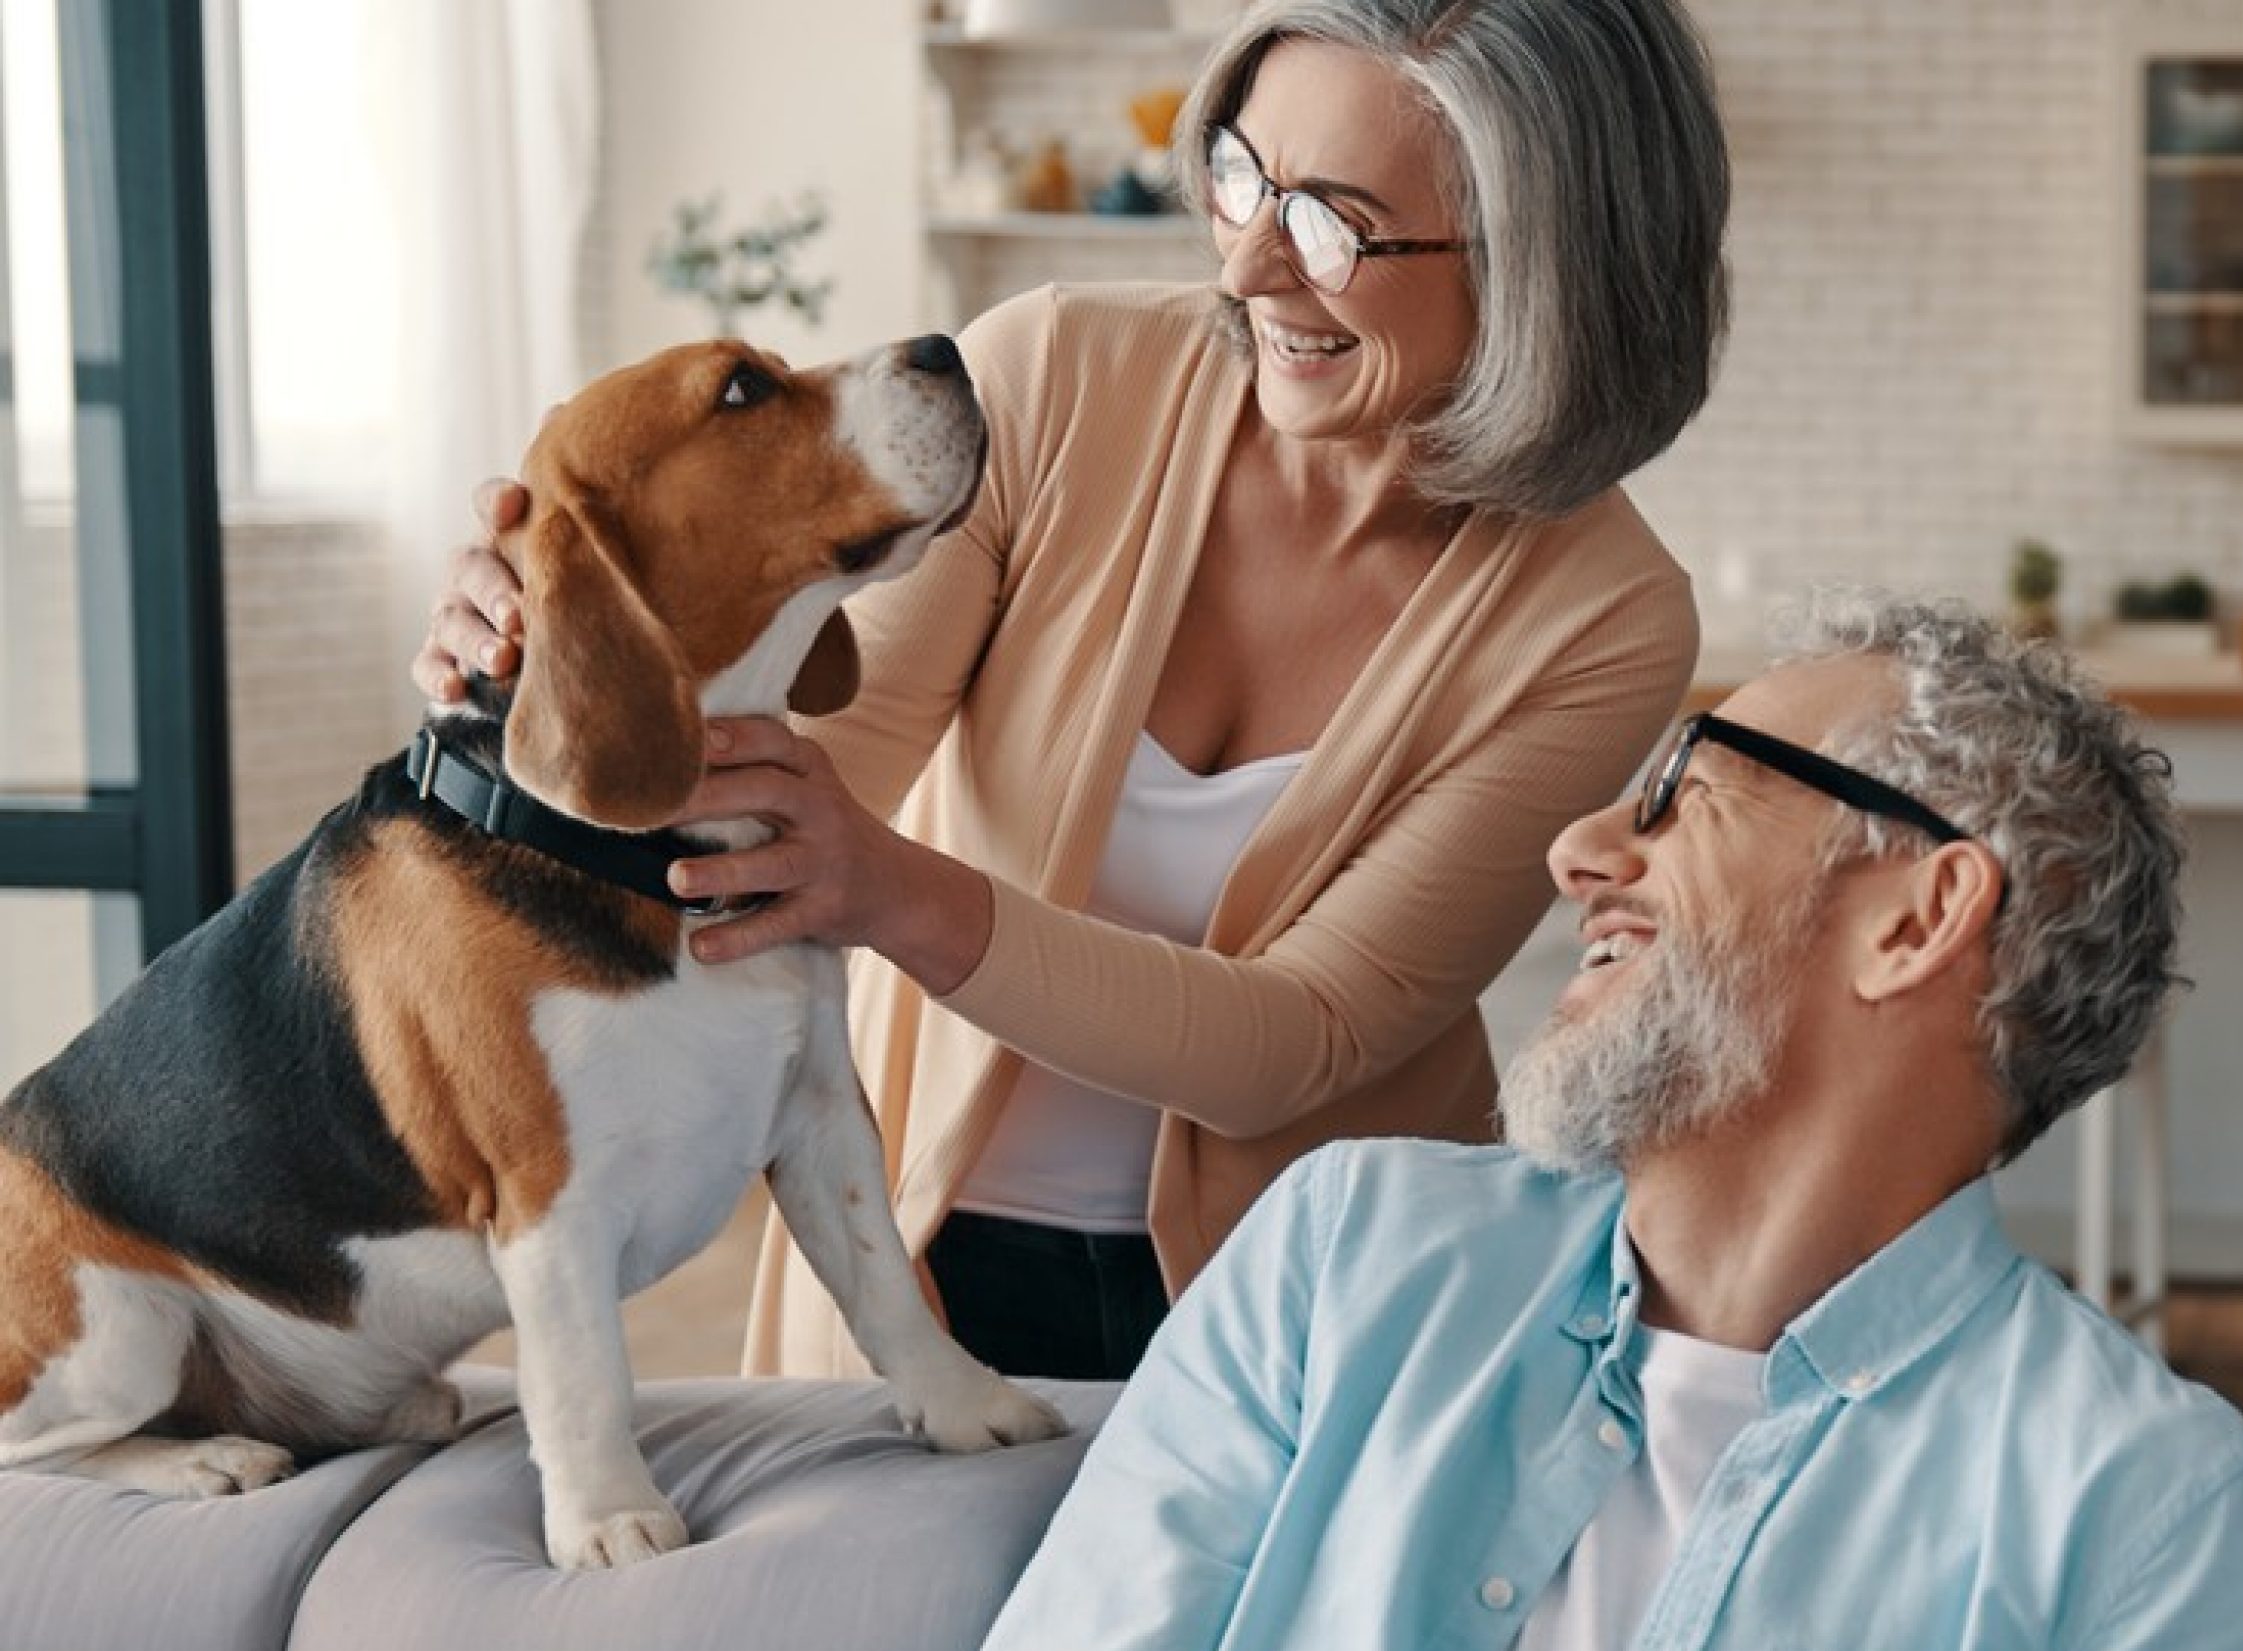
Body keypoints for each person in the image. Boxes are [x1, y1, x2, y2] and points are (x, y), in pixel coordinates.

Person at [513, 594, 2243, 1651]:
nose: (1583, 852)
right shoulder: (1343, 1263)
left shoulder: (2147, 1515)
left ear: (1922, 917)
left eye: (1686, 795)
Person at [413, 0, 1729, 1383]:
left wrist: (899, 894)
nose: (1253, 267)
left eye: (1336, 220)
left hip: (1317, 1316)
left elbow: (1303, 1037)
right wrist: (545, 646)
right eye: (1242, 177)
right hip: (912, 1257)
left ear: (1549, 265)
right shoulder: (1049, 377)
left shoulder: (1609, 621)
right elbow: (789, 776)